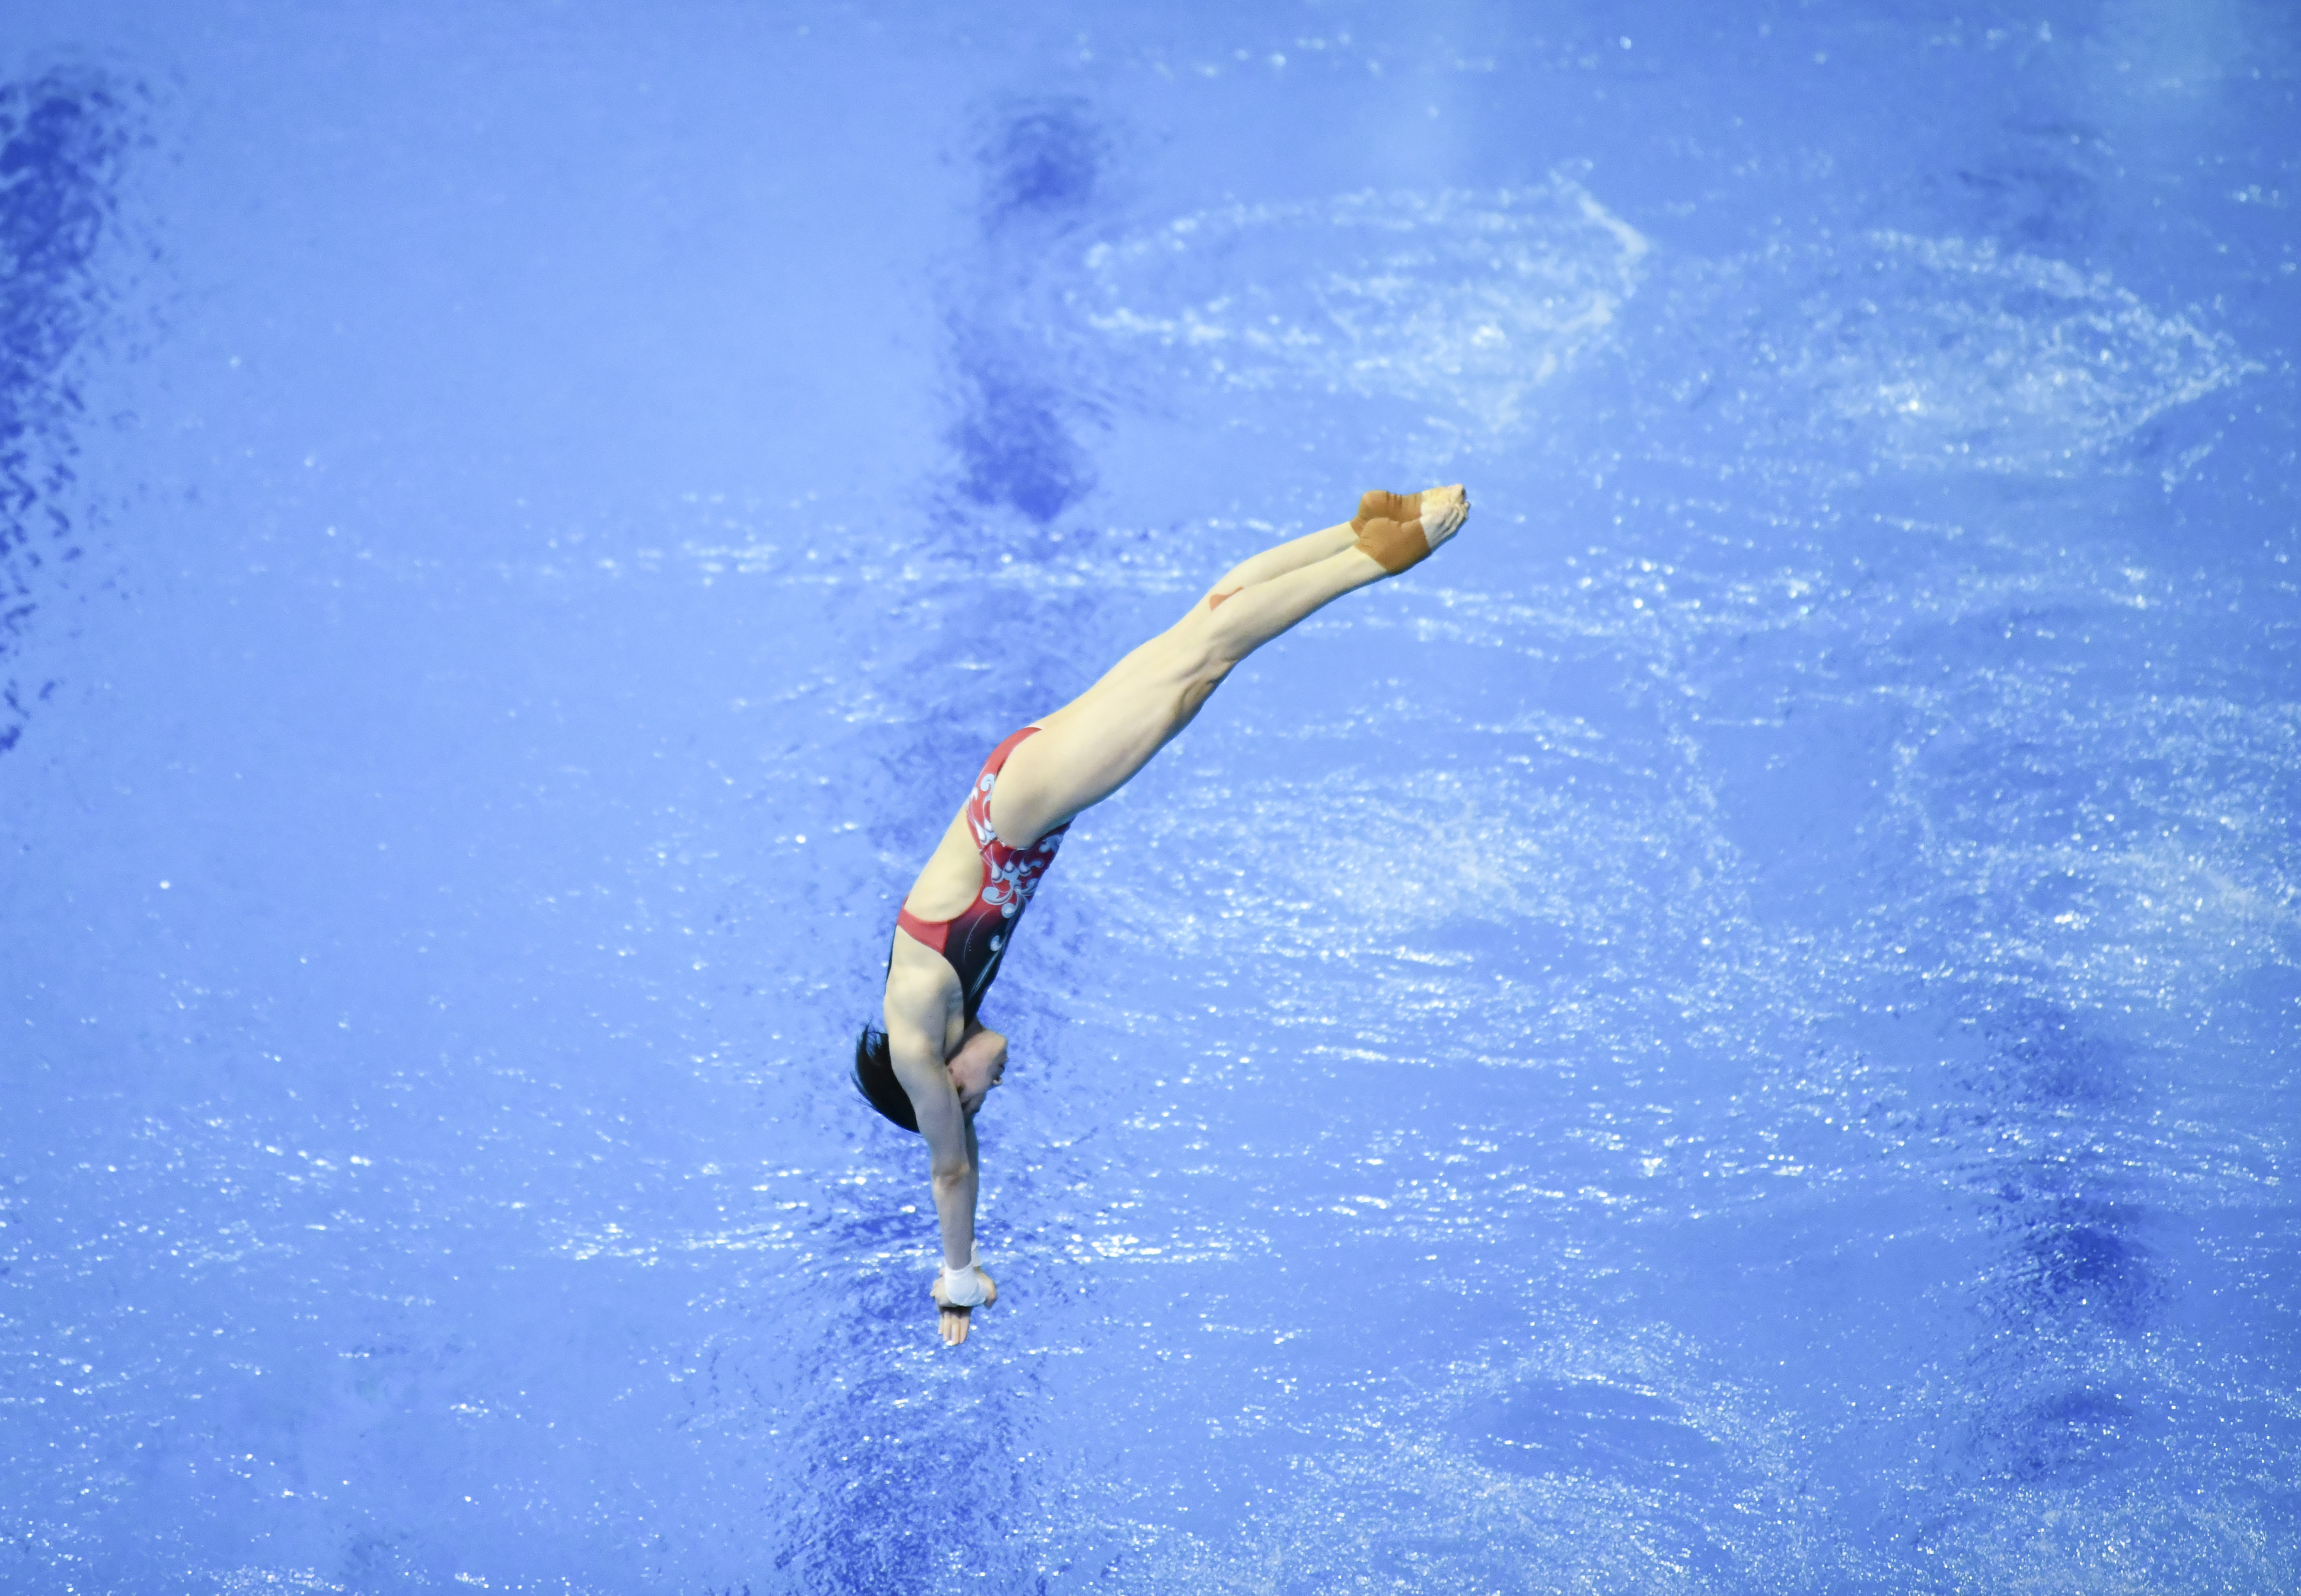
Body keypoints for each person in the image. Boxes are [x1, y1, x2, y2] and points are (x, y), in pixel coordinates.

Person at [855, 485, 1472, 1344]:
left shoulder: (918, 1038)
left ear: (947, 1089)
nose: (999, 1079)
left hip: (1020, 811)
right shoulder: (941, 1016)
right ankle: (1363, 526)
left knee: (1203, 659)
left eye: (983, 1096)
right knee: (1197, 642)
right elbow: (962, 1147)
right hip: (1018, 788)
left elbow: (949, 1166)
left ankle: (1381, 556)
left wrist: (957, 1277)